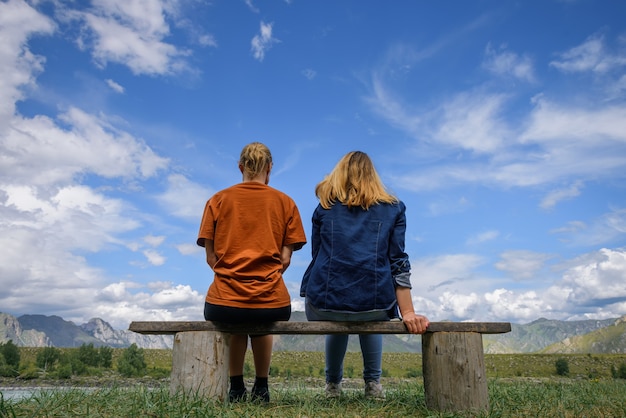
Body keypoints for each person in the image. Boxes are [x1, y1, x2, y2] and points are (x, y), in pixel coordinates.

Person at [300, 151, 429, 399]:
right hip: (375, 305)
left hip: (324, 304)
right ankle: (373, 385)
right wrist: (408, 312)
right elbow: (398, 262)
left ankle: (332, 387)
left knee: (339, 318)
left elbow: (318, 257)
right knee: (371, 315)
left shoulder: (324, 208)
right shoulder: (395, 209)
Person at [197, 142, 307, 403]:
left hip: (223, 302)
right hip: (272, 303)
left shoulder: (217, 200)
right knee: (260, 319)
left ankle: (236, 388)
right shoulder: (285, 203)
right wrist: (262, 278)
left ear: (240, 167)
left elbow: (211, 258)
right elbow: (285, 259)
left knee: (237, 318)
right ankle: (262, 387)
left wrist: (235, 278)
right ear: (269, 168)